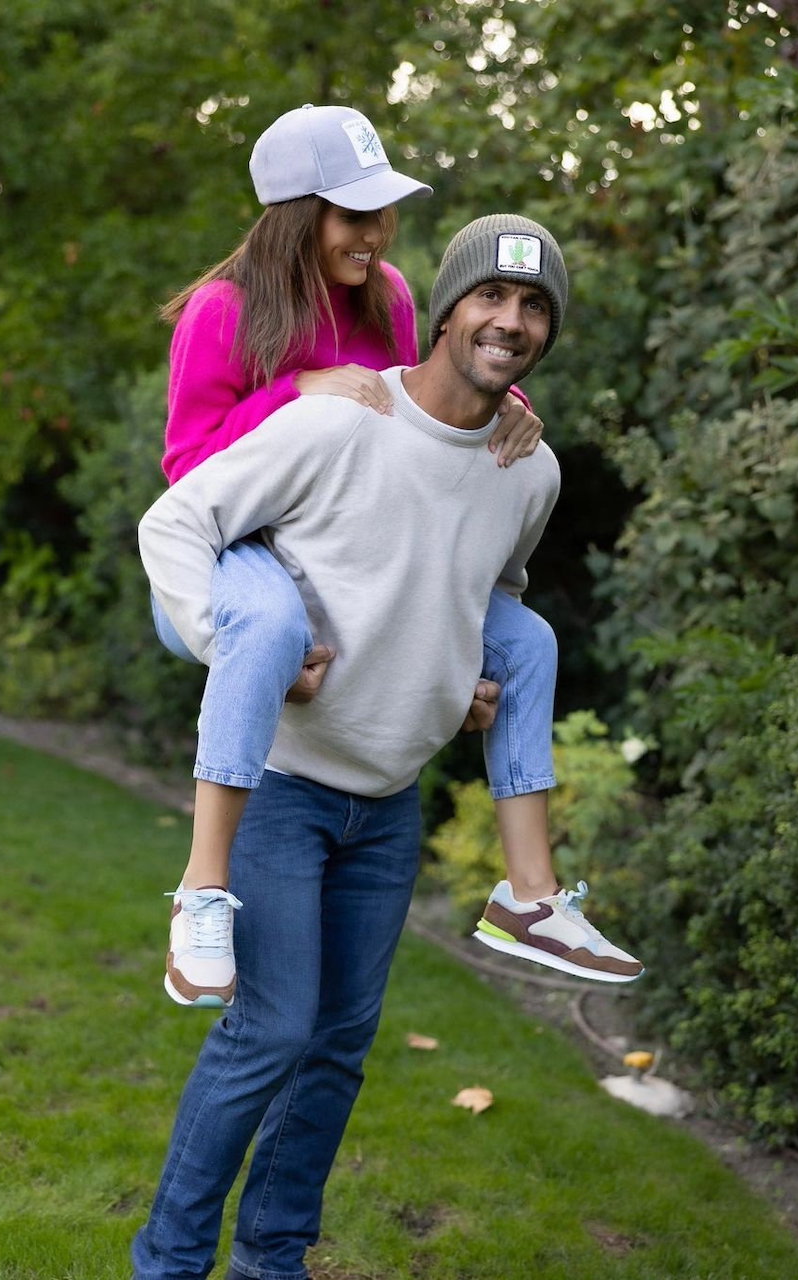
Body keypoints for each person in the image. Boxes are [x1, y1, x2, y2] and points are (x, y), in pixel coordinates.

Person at [134, 212, 644, 1280]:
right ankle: (170, 1260)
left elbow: (483, 599)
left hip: (387, 805)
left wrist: (460, 677)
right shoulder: (341, 423)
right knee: (268, 1035)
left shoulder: (528, 470)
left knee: (332, 1053)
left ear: (548, 331)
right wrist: (229, 638)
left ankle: (272, 1259)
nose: (509, 320)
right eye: (491, 297)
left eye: (534, 305)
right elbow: (175, 522)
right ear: (445, 305)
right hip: (282, 787)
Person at [151, 106, 596, 1012]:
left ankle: (531, 897)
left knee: (530, 644)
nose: (376, 233)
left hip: (341, 558)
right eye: (352, 215)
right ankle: (201, 892)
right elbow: (190, 474)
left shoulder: (389, 294)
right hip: (233, 562)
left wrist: (502, 401)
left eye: (383, 212)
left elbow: (418, 423)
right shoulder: (221, 313)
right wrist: (294, 389)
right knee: (273, 623)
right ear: (293, 215)